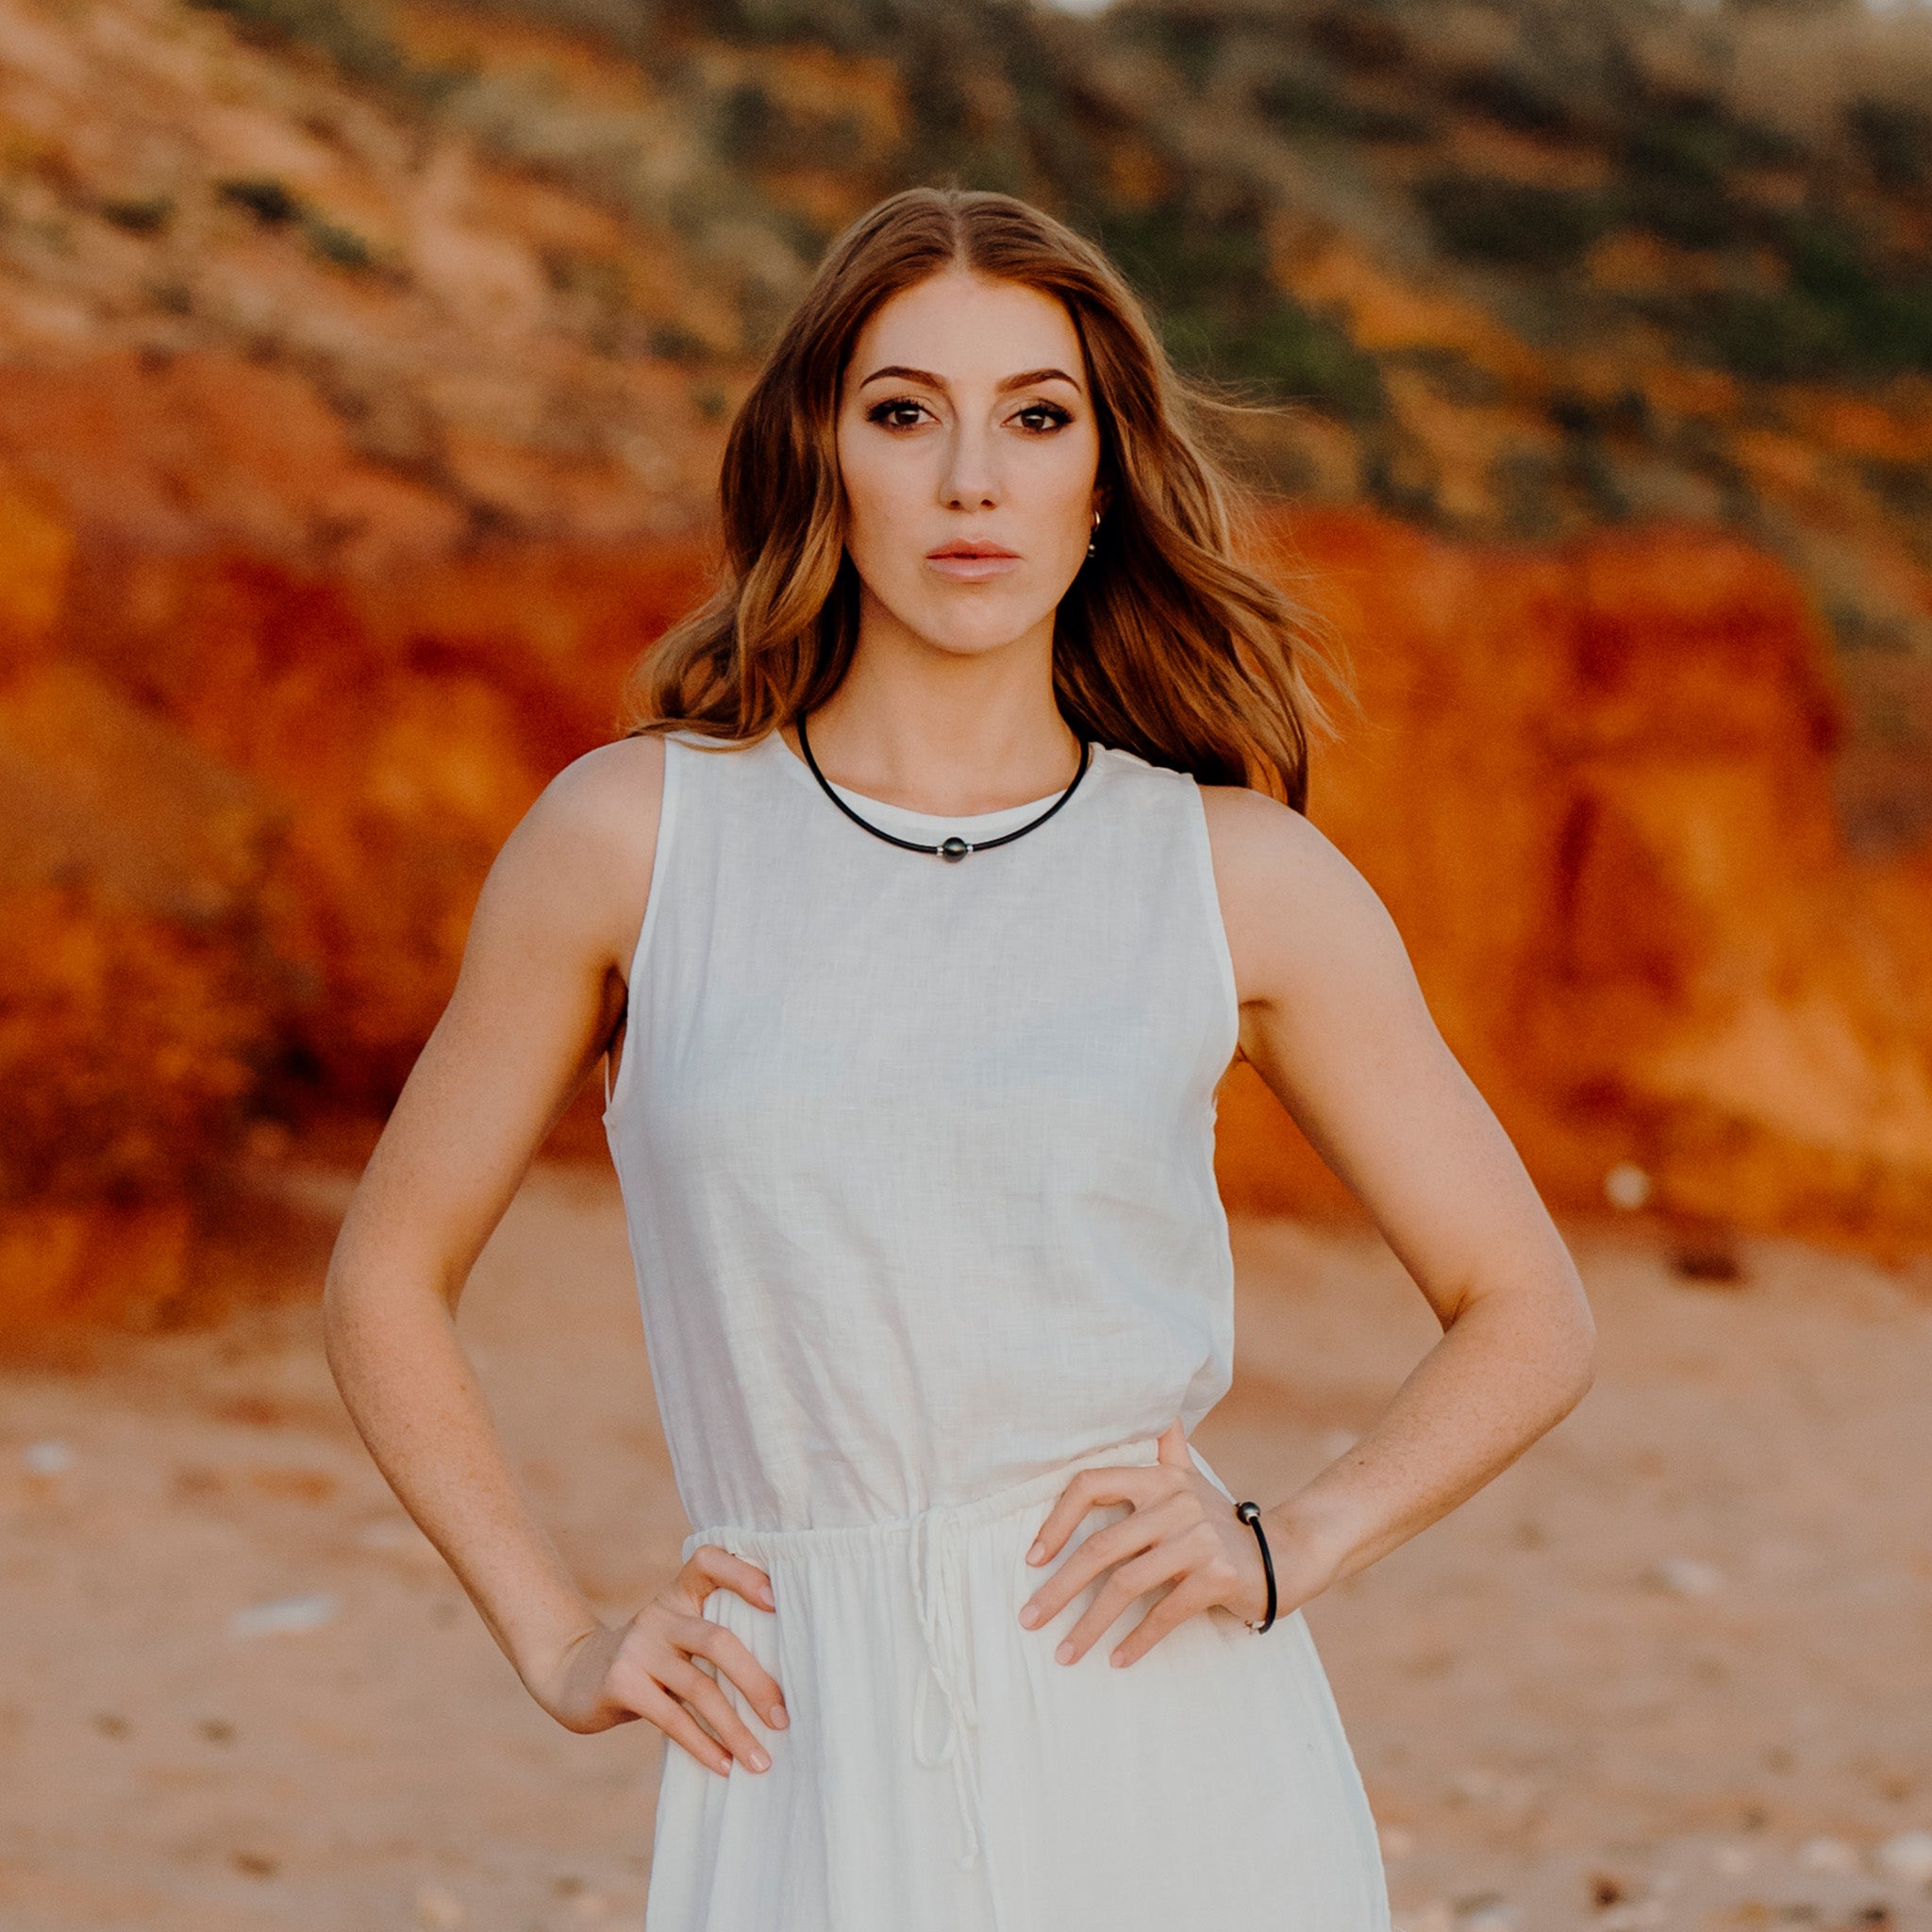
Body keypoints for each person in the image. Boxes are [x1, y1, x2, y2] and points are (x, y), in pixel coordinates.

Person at [323, 186, 1596, 1931]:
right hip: (792, 1742)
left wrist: (1288, 1544)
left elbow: (1529, 1306)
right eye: (906, 414)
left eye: (1037, 418)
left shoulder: (1232, 874)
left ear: (1103, 477)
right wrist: (556, 1637)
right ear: (822, 458)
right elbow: (387, 1272)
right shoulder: (636, 837)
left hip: (1165, 1739)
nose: (972, 481)